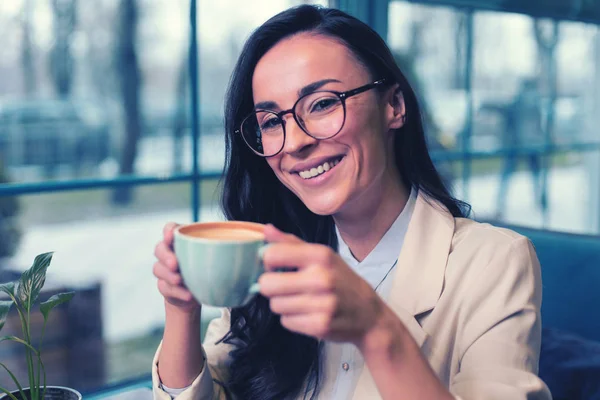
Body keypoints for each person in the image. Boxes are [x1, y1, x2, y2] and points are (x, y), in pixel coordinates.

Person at [151, 5, 551, 400]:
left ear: (394, 105)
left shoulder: (495, 262)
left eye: (323, 103)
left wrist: (377, 329)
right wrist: (181, 310)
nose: (295, 142)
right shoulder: (264, 253)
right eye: (271, 122)